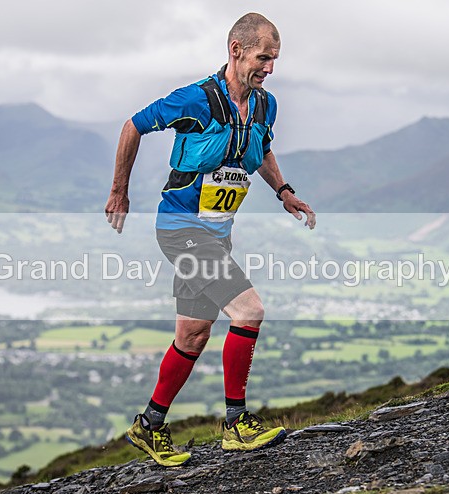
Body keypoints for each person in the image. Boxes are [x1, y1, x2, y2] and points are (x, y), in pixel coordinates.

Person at [105, 12, 315, 467]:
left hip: (216, 235)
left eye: (275, 59)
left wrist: (283, 191)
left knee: (194, 334)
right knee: (249, 309)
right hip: (181, 230)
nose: (270, 68)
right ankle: (237, 424)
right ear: (236, 50)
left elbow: (260, 150)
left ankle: (149, 426)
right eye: (264, 57)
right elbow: (132, 126)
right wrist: (120, 190)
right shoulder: (194, 100)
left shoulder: (264, 105)